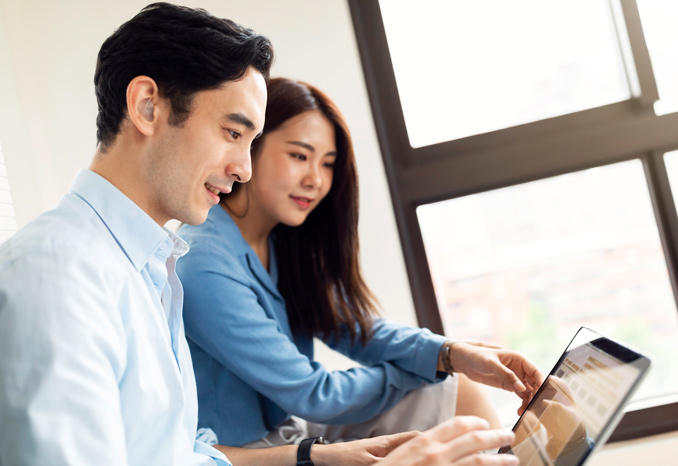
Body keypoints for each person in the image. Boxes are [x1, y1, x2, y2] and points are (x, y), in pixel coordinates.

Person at [0, 3, 521, 466]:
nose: (244, 168)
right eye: (233, 133)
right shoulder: (57, 275)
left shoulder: (146, 269)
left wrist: (316, 457)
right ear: (147, 107)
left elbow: (180, 454)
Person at [177, 78, 544, 449]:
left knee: (456, 393)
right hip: (240, 453)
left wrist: (450, 353)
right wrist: (430, 367)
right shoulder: (205, 261)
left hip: (288, 430)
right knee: (443, 388)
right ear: (251, 146)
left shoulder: (282, 244)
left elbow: (356, 330)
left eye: (328, 163)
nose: (315, 180)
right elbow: (312, 394)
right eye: (299, 156)